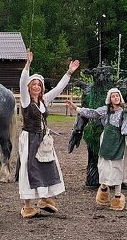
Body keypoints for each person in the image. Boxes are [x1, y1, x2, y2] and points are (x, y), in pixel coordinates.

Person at [17, 50, 80, 219]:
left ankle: (44, 199)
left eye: (39, 84)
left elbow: (59, 88)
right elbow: (22, 83)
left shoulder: (44, 100)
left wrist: (69, 72)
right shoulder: (25, 100)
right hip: (30, 138)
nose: (36, 87)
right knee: (29, 169)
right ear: (30, 87)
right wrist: (27, 65)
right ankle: (27, 206)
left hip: (43, 139)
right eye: (34, 84)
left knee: (47, 166)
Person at [73, 88, 127, 211]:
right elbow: (92, 113)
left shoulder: (125, 113)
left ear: (120, 98)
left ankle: (117, 197)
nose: (115, 98)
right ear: (109, 99)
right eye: (113, 96)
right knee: (104, 167)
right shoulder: (105, 110)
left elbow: (125, 130)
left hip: (119, 142)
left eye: (117, 96)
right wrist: (77, 108)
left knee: (117, 167)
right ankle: (104, 189)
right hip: (106, 140)